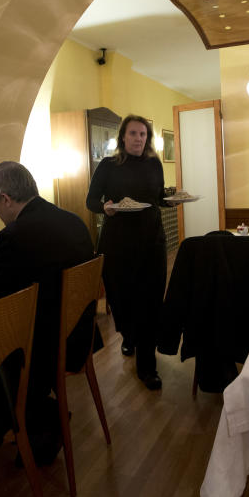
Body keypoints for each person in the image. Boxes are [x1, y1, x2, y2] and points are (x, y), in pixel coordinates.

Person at [0, 161, 96, 465]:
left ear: (6, 199)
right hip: (80, 334)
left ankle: (24, 425)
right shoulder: (71, 220)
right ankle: (40, 419)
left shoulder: (14, 235)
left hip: (47, 348)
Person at [86, 114, 167, 390]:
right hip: (118, 243)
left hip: (151, 241)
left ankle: (147, 366)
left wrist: (173, 199)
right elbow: (91, 201)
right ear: (123, 137)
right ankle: (128, 335)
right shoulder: (108, 166)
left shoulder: (154, 164)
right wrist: (105, 207)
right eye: (133, 134)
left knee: (151, 301)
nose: (138, 139)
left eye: (143, 134)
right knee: (122, 298)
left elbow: (158, 198)